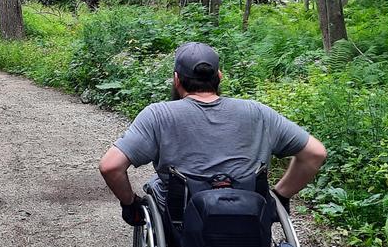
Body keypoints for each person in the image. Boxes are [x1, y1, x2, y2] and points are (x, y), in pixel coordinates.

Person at [98, 41, 327, 227]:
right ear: (219, 76)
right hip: (249, 215)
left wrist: (130, 204)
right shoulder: (257, 112)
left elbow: (111, 166)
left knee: (156, 185)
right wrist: (280, 196)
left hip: (184, 219)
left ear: (177, 80)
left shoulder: (158, 115)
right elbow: (314, 153)